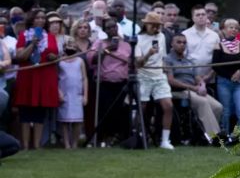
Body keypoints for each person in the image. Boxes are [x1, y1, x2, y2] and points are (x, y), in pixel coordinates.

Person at [12, 9, 60, 150]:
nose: (41, 20)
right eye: (38, 18)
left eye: (43, 18)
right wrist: (32, 43)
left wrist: (53, 57)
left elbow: (55, 55)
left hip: (44, 76)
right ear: (32, 20)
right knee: (25, 111)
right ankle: (26, 146)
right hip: (28, 76)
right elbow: (21, 57)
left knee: (40, 111)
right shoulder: (23, 36)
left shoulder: (50, 37)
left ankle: (37, 145)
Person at [165, 33, 223, 142]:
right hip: (179, 91)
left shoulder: (189, 61)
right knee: (203, 102)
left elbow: (197, 77)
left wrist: (202, 85)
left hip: (193, 90)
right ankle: (215, 136)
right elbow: (171, 81)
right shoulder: (168, 59)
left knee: (217, 106)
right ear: (172, 44)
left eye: (184, 43)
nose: (182, 45)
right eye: (179, 42)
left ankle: (203, 135)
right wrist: (193, 88)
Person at [87, 18, 133, 145]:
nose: (112, 29)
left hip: (122, 83)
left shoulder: (126, 44)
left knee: (120, 111)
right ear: (104, 30)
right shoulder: (99, 43)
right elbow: (92, 61)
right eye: (108, 28)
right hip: (104, 83)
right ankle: (103, 137)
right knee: (105, 111)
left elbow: (131, 63)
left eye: (114, 27)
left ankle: (117, 138)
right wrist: (107, 50)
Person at [135, 12, 174, 150]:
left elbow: (162, 57)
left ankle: (165, 140)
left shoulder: (162, 36)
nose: (156, 28)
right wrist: (148, 54)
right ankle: (138, 136)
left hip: (159, 75)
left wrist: (165, 69)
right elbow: (138, 63)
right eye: (154, 25)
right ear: (146, 24)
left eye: (158, 25)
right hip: (144, 75)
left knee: (168, 106)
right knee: (142, 107)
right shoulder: (138, 39)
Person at [212, 19, 240, 135]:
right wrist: (229, 76)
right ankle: (226, 135)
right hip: (223, 82)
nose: (233, 29)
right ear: (224, 29)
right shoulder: (218, 46)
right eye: (230, 27)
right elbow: (215, 65)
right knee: (226, 111)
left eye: (236, 28)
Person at [57, 41, 88, 149]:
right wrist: (58, 92)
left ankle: (75, 143)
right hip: (64, 94)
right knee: (64, 120)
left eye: (73, 46)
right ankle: (66, 143)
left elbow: (84, 78)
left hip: (77, 94)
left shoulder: (80, 61)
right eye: (68, 46)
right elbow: (56, 78)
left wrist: (85, 95)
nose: (71, 48)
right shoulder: (60, 61)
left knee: (77, 121)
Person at [182, 5, 220, 93]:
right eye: (198, 15)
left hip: (210, 78)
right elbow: (183, 58)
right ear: (192, 18)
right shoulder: (185, 35)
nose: (201, 17)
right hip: (190, 78)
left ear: (206, 16)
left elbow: (217, 58)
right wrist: (196, 76)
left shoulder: (214, 35)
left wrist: (209, 75)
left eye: (203, 14)